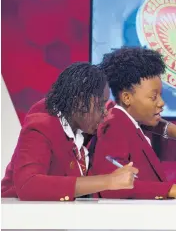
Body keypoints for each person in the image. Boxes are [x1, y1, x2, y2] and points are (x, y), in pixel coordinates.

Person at [1, 62, 139, 201]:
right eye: (100, 104)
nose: (105, 112)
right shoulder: (40, 127)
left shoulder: (83, 128)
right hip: (17, 215)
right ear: (79, 102)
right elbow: (28, 185)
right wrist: (109, 181)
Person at [91, 47, 176, 199]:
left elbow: (152, 123)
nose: (161, 103)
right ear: (127, 98)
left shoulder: (124, 118)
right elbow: (111, 184)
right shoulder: (113, 126)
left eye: (160, 95)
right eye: (153, 97)